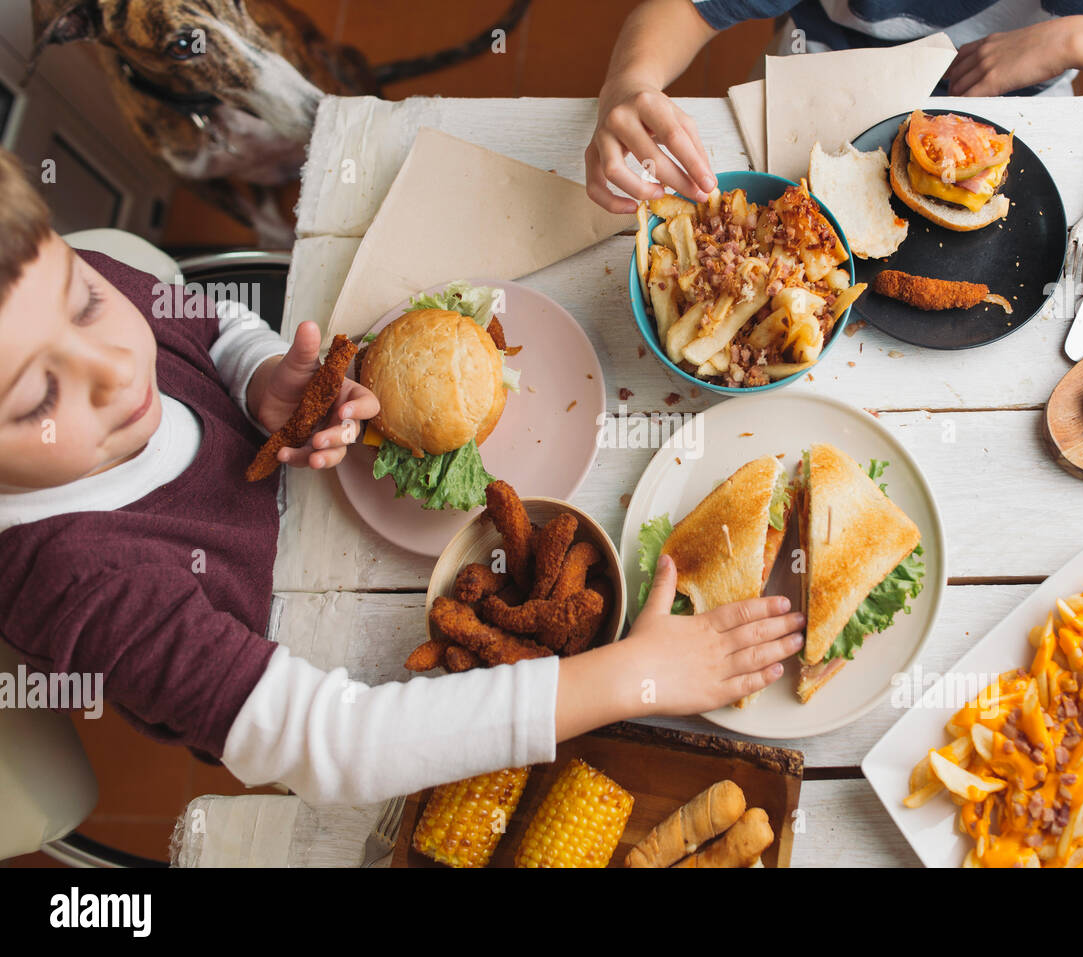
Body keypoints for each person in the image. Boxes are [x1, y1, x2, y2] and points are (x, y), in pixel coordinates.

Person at [0, 149, 803, 806]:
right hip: (280, 652)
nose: (112, 366)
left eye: (85, 303)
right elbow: (336, 746)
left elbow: (205, 321)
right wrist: (631, 674)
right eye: (36, 394)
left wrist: (260, 381)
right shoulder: (76, 584)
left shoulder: (78, 281)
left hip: (306, 500)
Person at [585, 0, 1083, 212]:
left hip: (1029, 113)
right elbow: (687, 9)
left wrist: (1080, 38)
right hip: (812, 92)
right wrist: (629, 86)